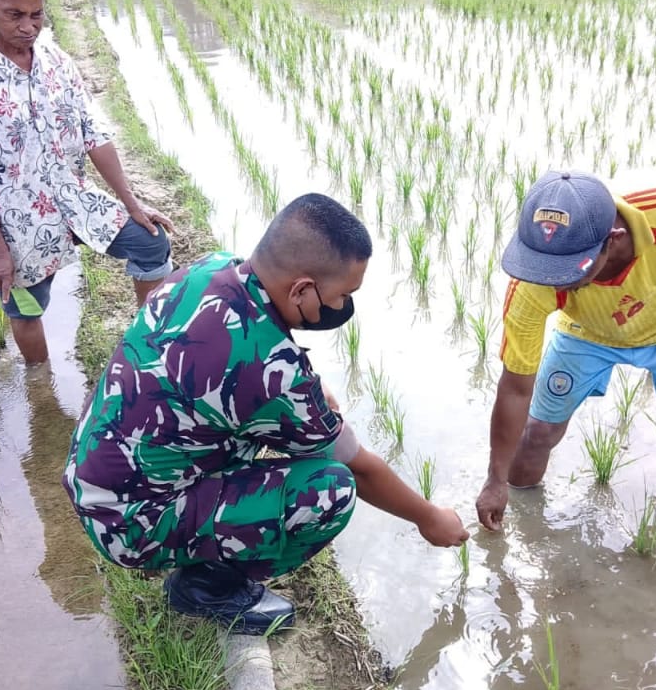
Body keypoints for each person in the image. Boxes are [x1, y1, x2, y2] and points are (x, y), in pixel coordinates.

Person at [64, 193, 469, 634]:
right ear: (301, 289)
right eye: (341, 295)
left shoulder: (211, 269)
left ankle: (185, 540)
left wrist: (307, 385)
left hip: (95, 478)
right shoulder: (276, 375)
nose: (342, 307)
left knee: (263, 435)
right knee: (328, 492)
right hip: (127, 525)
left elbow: (252, 360)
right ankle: (207, 587)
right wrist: (429, 518)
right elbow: (360, 467)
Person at [476, 168, 656, 531]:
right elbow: (515, 388)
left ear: (613, 239)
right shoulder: (534, 281)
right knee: (537, 432)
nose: (553, 279)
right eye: (546, 267)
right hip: (588, 333)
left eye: (569, 271)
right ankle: (523, 519)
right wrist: (495, 480)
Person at [0, 0, 174, 365]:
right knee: (25, 305)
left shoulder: (55, 60)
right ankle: (40, 385)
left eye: (37, 14)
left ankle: (147, 350)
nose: (29, 27)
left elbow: (93, 133)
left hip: (72, 198)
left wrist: (132, 204)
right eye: (15, 15)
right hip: (14, 218)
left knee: (151, 243)